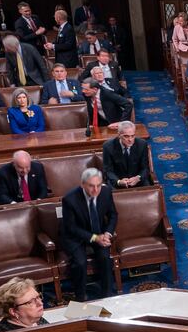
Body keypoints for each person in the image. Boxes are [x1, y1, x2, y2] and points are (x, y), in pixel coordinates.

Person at [61, 168, 118, 300]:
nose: (95, 190)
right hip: (76, 236)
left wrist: (107, 234)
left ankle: (108, 295)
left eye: (98, 185)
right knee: (80, 263)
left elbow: (113, 215)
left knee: (105, 258)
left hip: (99, 232)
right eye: (91, 186)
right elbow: (71, 227)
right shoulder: (69, 199)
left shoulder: (106, 191)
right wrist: (94, 238)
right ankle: (81, 296)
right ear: (82, 184)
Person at [103, 121, 152, 189]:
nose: (130, 139)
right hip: (117, 182)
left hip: (138, 181)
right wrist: (119, 182)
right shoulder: (108, 146)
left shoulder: (142, 144)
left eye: (132, 136)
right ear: (119, 135)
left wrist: (138, 178)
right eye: (126, 136)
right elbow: (108, 171)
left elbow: (145, 168)